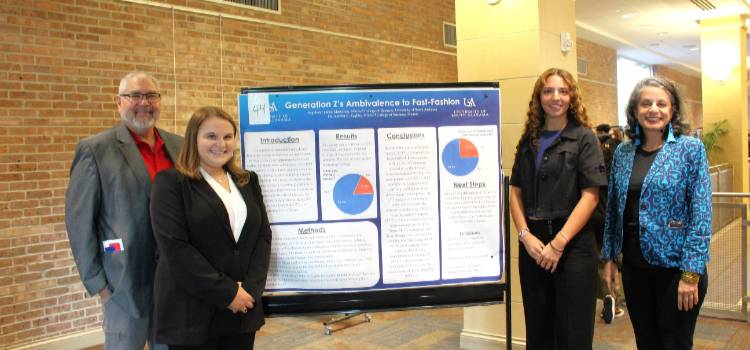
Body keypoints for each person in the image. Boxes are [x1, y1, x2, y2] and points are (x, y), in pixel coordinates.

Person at [65, 71, 182, 350]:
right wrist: (99, 284)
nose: (144, 102)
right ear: (119, 102)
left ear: (160, 101)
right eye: (135, 96)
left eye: (151, 95)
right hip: (122, 283)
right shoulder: (95, 150)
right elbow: (79, 222)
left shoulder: (179, 146)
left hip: (174, 282)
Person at [601, 77, 711, 349]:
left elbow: (701, 213)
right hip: (636, 269)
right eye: (646, 103)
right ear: (635, 110)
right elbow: (614, 208)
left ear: (672, 110)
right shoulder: (623, 153)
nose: (654, 109)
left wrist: (691, 273)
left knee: (674, 343)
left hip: (677, 269)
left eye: (662, 104)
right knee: (646, 343)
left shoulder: (690, 149)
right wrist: (610, 257)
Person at [149, 106, 272, 350]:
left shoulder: (247, 180)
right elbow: (176, 248)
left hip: (241, 309)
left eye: (228, 137)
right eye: (211, 136)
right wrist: (228, 294)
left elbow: (262, 236)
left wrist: (251, 290)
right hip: (192, 310)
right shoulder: (171, 183)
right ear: (194, 139)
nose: (221, 144)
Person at [510, 68, 607, 349]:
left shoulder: (584, 138)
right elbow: (515, 191)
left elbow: (590, 196)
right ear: (538, 98)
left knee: (572, 334)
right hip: (533, 245)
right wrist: (524, 235)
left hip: (573, 243)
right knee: (539, 332)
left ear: (572, 97)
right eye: (548, 91)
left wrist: (559, 243)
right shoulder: (530, 140)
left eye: (563, 91)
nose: (556, 97)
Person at [592, 123, 625, 323]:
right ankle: (616, 298)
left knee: (601, 261)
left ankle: (606, 294)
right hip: (611, 220)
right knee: (614, 262)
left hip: (594, 217)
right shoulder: (618, 162)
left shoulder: (594, 164)